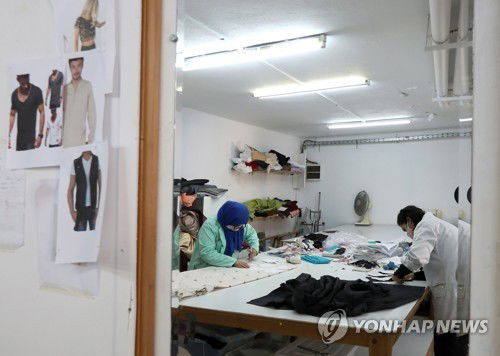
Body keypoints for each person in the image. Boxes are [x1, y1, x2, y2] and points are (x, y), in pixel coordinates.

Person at [392, 205, 465, 356]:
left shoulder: (425, 226)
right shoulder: (434, 223)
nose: (408, 235)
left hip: (453, 285)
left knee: (448, 333)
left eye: (405, 230)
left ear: (410, 221)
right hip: (459, 277)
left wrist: (399, 274)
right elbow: (437, 259)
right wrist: (415, 275)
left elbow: (417, 257)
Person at [188, 201, 259, 270]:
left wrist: (255, 248)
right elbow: (207, 253)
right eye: (235, 226)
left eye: (240, 226)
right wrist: (233, 262)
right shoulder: (210, 226)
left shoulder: (240, 223)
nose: (237, 229)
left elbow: (251, 234)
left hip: (226, 267)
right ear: (228, 220)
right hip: (204, 267)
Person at [62, 57, 96, 147]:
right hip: (65, 141)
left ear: (83, 65)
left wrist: (91, 140)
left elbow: (92, 114)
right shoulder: (64, 89)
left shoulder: (87, 85)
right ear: (69, 68)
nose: (76, 70)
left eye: (79, 66)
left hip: (81, 142)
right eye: (73, 67)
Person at [8, 74, 45, 151]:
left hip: (32, 141)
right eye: (22, 78)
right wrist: (8, 135)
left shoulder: (36, 91)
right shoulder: (14, 94)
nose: (25, 80)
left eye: (26, 77)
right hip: (19, 141)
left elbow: (42, 112)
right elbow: (12, 115)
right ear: (18, 79)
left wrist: (40, 135)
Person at [67, 151, 101, 232]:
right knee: (80, 240)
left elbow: (101, 187)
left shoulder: (97, 160)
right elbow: (70, 189)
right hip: (80, 210)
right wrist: (72, 212)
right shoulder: (76, 162)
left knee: (95, 238)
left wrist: (99, 208)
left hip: (94, 208)